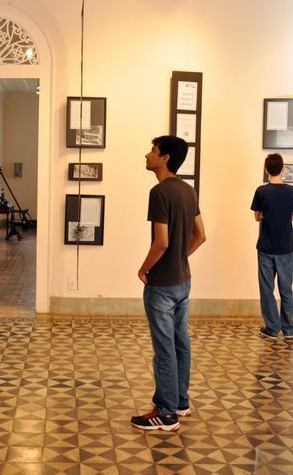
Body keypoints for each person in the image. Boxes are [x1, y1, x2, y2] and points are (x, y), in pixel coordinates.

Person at [131, 136, 206, 432]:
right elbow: (200, 235)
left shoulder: (159, 192)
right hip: (183, 281)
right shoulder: (189, 191)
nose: (148, 154)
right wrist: (179, 257)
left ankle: (165, 413)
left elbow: (161, 242)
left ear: (164, 158)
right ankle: (180, 403)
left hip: (162, 285)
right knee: (180, 343)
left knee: (164, 348)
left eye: (153, 151)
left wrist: (144, 268)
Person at [251, 153, 293, 340]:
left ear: (266, 170)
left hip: (265, 247)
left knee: (267, 289)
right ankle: (288, 328)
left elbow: (257, 216)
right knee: (286, 288)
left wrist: (265, 215)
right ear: (283, 169)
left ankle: (272, 328)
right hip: (285, 248)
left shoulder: (261, 191)